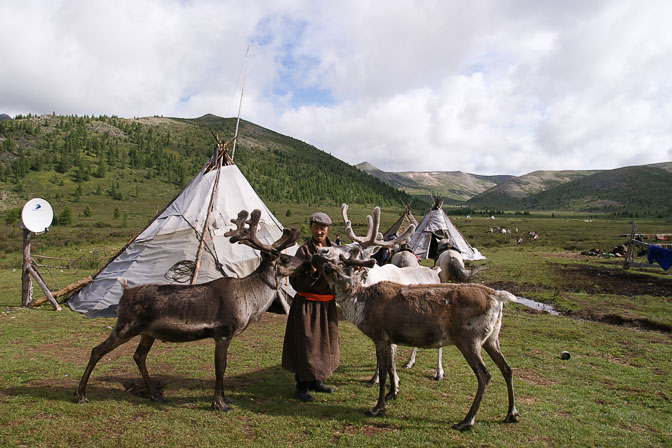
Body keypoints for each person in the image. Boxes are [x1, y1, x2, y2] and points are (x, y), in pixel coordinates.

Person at [282, 212, 339, 402]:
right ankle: (301, 385)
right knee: (306, 344)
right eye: (316, 227)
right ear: (311, 228)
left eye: (323, 228)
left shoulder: (334, 250)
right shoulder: (303, 252)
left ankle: (317, 381)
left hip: (326, 306)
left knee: (323, 344)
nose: (320, 231)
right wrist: (312, 272)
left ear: (327, 229)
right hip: (307, 305)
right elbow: (296, 283)